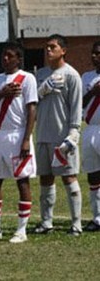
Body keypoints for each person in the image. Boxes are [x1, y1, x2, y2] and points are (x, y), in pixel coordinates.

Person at [0, 42, 38, 244]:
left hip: (17, 134)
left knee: (22, 180)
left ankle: (21, 230)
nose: (5, 59)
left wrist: (26, 139)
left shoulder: (27, 78)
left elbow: (31, 110)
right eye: (4, 55)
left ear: (18, 59)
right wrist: (1, 93)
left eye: (10, 56)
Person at [34, 34, 82, 236]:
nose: (48, 50)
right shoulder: (41, 74)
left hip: (62, 137)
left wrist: (73, 133)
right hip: (43, 134)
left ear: (63, 50)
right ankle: (46, 223)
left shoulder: (72, 75)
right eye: (46, 47)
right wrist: (41, 90)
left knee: (69, 177)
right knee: (45, 178)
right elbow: (32, 102)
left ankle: (76, 224)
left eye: (53, 47)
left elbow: (76, 106)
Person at [81, 40, 100, 232]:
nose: (94, 57)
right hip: (90, 129)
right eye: (93, 53)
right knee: (93, 176)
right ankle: (97, 217)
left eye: (98, 53)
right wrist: (93, 92)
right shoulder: (86, 77)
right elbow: (80, 103)